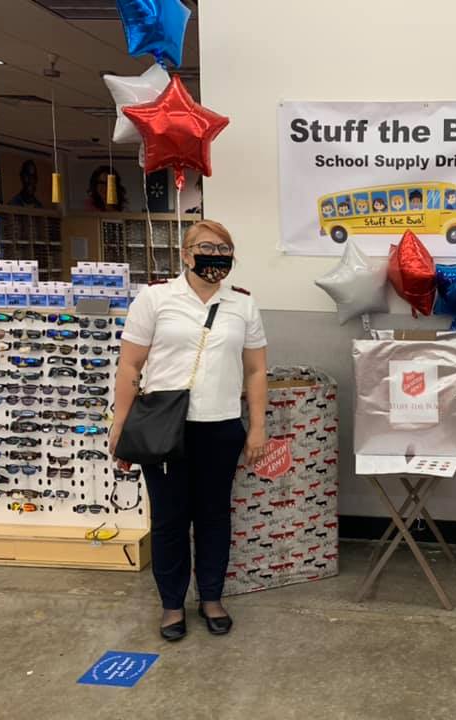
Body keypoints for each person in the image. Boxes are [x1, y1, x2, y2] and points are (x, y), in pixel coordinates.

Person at [112, 219, 268, 641]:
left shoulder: (242, 304)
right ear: (185, 253)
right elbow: (130, 365)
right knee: (169, 520)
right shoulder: (156, 298)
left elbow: (255, 371)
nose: (215, 255)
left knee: (215, 517)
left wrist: (257, 426)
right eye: (206, 247)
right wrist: (120, 425)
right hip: (165, 430)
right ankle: (171, 604)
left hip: (221, 428)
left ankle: (212, 597)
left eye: (224, 248)